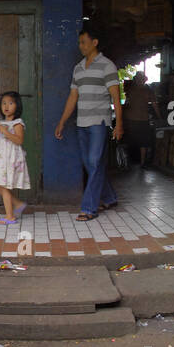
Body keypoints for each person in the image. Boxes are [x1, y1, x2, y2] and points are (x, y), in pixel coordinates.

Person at [55, 29, 123, 221]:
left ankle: (89, 208)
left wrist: (119, 125)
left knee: (93, 162)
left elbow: (116, 97)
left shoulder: (107, 66)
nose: (81, 46)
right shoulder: (78, 68)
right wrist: (62, 122)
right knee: (91, 163)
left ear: (95, 42)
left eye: (84, 42)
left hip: (99, 123)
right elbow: (72, 97)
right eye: (79, 43)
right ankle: (109, 197)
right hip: (81, 122)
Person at [0, 91, 32, 224]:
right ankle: (18, 204)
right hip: (0, 158)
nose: (6, 106)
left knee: (3, 186)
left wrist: (6, 132)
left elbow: (19, 140)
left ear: (17, 106)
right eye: (4, 103)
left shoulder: (17, 123)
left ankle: (10, 216)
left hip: (10, 158)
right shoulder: (2, 123)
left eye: (11, 103)